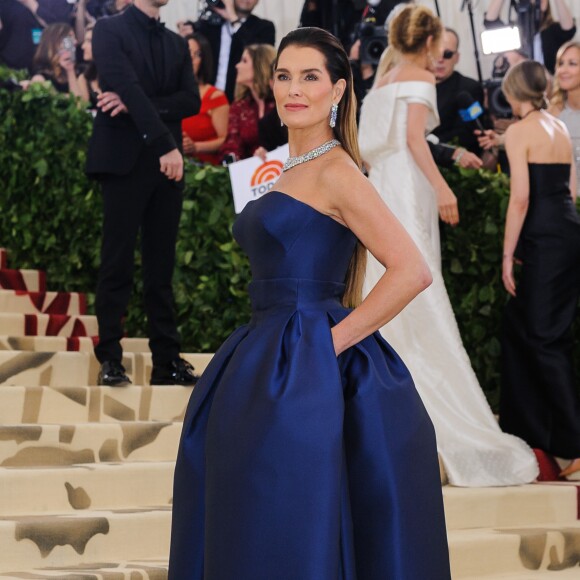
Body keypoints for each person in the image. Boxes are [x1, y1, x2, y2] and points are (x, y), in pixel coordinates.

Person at [169, 25, 451, 579]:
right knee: (251, 506)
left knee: (293, 510)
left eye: (310, 77)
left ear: (339, 90)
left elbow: (411, 271)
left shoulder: (340, 171)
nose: (294, 89)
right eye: (284, 76)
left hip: (309, 361)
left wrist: (328, 344)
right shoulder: (286, 166)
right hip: (264, 352)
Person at [358, 4, 539, 487]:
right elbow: (417, 142)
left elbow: (374, 141)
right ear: (433, 41)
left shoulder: (381, 80)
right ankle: (436, 419)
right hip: (409, 188)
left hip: (379, 188)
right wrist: (442, 188)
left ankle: (383, 411)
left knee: (384, 287)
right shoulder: (419, 76)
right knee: (420, 288)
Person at [85, 0, 200, 386]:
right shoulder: (108, 29)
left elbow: (191, 100)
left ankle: (166, 361)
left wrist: (136, 106)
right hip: (125, 161)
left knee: (161, 267)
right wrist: (167, 142)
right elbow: (125, 85)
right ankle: (110, 359)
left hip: (165, 168)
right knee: (116, 262)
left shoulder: (176, 42)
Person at [499, 60, 580, 479]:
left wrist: (506, 255)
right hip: (567, 230)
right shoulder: (559, 126)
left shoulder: (519, 131)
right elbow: (570, 189)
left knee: (545, 340)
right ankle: (532, 431)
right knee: (531, 329)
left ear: (513, 92)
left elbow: (520, 199)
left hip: (542, 238)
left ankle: (571, 443)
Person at [194, 0, 275, 103]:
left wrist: (233, 18)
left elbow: (258, 55)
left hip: (243, 98)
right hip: (208, 97)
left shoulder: (264, 27)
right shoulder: (210, 25)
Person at [484, 0, 575, 74]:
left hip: (548, 84)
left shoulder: (553, 31)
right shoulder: (513, 32)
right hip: (521, 86)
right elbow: (490, 21)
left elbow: (568, 29)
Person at [220, 43, 276, 162]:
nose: (237, 65)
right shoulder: (239, 106)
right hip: (253, 174)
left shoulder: (281, 101)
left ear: (260, 65)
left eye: (244, 61)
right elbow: (233, 143)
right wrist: (231, 158)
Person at [433, 27, 485, 156]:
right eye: (435, 53)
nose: (440, 59)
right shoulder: (416, 88)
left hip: (458, 161)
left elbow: (468, 132)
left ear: (456, 57)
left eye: (447, 54)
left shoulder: (469, 88)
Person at [182, 33, 229, 165]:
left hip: (207, 172)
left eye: (197, 54)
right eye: (187, 52)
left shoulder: (215, 96)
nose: (190, 58)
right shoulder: (171, 93)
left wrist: (196, 147)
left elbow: (225, 139)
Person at [549, 41, 580, 192]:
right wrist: (498, 139)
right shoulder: (554, 113)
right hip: (568, 205)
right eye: (561, 63)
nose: (563, 70)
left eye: (572, 63)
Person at [30, 23, 83, 97]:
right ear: (55, 43)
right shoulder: (40, 78)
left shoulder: (78, 73)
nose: (75, 42)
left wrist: (70, 71)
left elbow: (81, 104)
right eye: (70, 37)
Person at [77, 23, 100, 106]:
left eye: (89, 41)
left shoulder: (120, 75)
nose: (83, 46)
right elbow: (81, 108)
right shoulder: (84, 78)